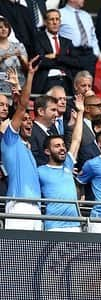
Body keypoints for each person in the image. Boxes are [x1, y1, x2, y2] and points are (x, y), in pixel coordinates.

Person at [1, 57, 40, 230]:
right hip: (19, 204)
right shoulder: (10, 139)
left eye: (30, 120)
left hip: (37, 206)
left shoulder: (27, 147)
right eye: (24, 120)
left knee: (38, 257)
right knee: (17, 255)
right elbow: (22, 107)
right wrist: (30, 75)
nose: (29, 122)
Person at [38, 94, 84, 232]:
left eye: (63, 145)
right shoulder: (40, 171)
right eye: (57, 146)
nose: (62, 148)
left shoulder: (68, 165)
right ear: (47, 151)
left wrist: (81, 112)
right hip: (53, 226)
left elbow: (76, 140)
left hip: (75, 225)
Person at [32, 9, 77, 95]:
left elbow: (75, 62)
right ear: (45, 22)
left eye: (57, 19)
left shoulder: (67, 42)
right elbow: (40, 61)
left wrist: (56, 56)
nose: (55, 22)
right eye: (51, 19)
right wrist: (64, 61)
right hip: (47, 80)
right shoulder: (37, 39)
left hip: (66, 80)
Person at [59, 0, 101, 76]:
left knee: (88, 85)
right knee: (73, 85)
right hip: (71, 55)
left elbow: (93, 36)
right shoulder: (60, 14)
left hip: (89, 55)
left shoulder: (86, 15)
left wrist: (95, 53)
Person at [0, 17, 28, 95]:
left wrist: (20, 58)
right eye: (0, 27)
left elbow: (27, 68)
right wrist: (2, 58)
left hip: (20, 85)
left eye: (6, 27)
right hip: (2, 87)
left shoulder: (19, 46)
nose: (4, 29)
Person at [29, 95, 60, 166]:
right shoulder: (31, 131)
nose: (57, 114)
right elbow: (34, 159)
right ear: (41, 111)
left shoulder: (53, 131)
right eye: (53, 110)